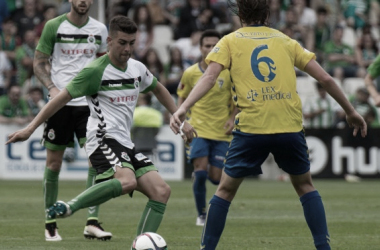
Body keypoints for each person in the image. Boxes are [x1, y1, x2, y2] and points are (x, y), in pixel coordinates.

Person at [169, 0, 367, 249]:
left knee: (224, 191)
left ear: (240, 13)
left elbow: (209, 77)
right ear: (267, 14)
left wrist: (183, 108)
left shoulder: (230, 41)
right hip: (289, 128)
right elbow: (325, 78)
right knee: (305, 186)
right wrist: (350, 111)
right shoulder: (285, 41)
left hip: (251, 129)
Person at [6, 14, 196, 241]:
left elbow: (158, 89)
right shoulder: (95, 71)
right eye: (122, 43)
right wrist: (30, 129)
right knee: (127, 181)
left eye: (132, 43)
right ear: (109, 42)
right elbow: (60, 99)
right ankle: (70, 207)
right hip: (102, 139)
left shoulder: (137, 68)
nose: (127, 49)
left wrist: (180, 117)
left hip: (125, 143)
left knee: (162, 192)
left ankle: (141, 244)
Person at [32, 0, 109, 241]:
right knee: (54, 164)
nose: (83, 1)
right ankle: (50, 222)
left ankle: (91, 222)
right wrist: (51, 87)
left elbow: (104, 64)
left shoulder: (100, 29)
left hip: (89, 105)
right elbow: (38, 62)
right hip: (60, 104)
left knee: (97, 163)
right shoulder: (53, 26)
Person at [177, 29, 237, 226]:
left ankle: (203, 184)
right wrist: (182, 120)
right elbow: (182, 97)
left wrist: (232, 117)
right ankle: (202, 214)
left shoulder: (228, 73)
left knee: (216, 177)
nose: (210, 49)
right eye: (207, 46)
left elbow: (237, 98)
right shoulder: (190, 73)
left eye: (214, 46)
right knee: (201, 172)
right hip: (198, 129)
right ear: (200, 48)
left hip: (222, 131)